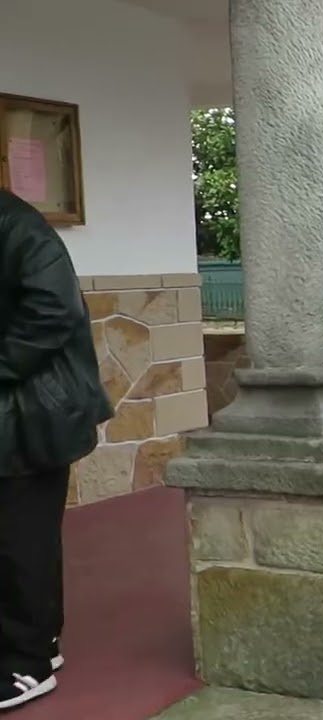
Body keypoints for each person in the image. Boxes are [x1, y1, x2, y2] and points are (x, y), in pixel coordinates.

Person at [0, 189, 113, 710]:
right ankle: (39, 642)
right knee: (23, 537)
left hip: (35, 411)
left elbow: (53, 308)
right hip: (18, 411)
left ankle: (26, 665)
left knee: (21, 540)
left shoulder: (19, 226)